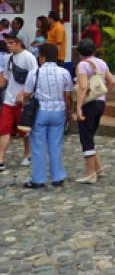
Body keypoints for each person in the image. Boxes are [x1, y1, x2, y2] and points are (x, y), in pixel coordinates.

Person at [22, 43, 72, 189]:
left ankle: (38, 179)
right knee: (55, 145)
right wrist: (68, 114)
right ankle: (57, 177)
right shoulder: (64, 73)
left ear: (42, 57)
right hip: (58, 112)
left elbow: (26, 94)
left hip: (40, 112)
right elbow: (68, 96)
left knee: (38, 146)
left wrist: (25, 105)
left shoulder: (34, 73)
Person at [75, 38, 113, 184]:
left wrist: (78, 107)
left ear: (79, 52)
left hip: (88, 105)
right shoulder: (102, 63)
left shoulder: (82, 65)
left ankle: (90, 173)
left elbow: (83, 87)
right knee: (90, 135)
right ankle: (98, 167)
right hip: (100, 104)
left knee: (86, 137)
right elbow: (111, 81)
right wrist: (101, 94)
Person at [0, 32, 37, 172]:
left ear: (19, 42)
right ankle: (1, 159)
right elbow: (6, 79)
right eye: (7, 43)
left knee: (24, 131)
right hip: (9, 100)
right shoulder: (8, 58)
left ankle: (27, 155)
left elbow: (35, 79)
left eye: (11, 43)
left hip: (24, 102)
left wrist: (24, 94)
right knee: (4, 129)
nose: (8, 45)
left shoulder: (29, 57)